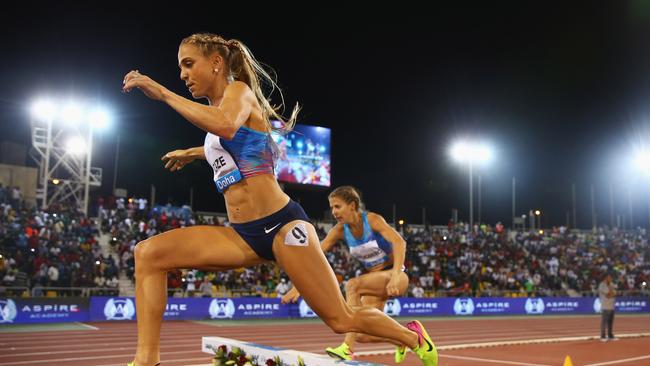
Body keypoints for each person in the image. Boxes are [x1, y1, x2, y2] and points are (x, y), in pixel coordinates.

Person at [122, 33, 437, 366]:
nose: (183, 74)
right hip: (243, 235)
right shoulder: (217, 111)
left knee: (341, 319)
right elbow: (233, 142)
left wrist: (163, 94)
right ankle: (146, 360)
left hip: (284, 228)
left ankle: (414, 337)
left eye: (188, 64)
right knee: (149, 254)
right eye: (180, 68)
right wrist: (193, 153)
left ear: (216, 63)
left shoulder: (238, 93)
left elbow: (227, 126)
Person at [282, 186, 417, 363]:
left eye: (337, 207)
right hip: (374, 282)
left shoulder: (372, 220)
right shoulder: (339, 230)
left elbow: (399, 242)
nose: (333, 212)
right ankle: (405, 338)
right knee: (362, 334)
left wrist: (396, 275)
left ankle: (347, 348)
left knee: (352, 285)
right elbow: (316, 256)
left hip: (396, 275)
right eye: (331, 207)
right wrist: (298, 286)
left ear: (352, 206)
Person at [599, 273, 617, 341]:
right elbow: (608, 294)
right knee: (604, 322)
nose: (611, 279)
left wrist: (611, 293)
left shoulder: (611, 284)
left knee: (610, 322)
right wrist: (611, 292)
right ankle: (603, 336)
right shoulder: (602, 285)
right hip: (605, 306)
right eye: (609, 277)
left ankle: (610, 335)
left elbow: (615, 293)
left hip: (612, 306)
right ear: (606, 278)